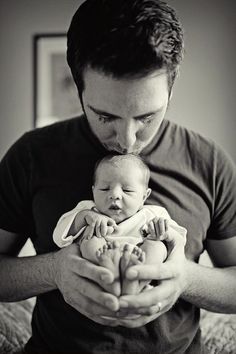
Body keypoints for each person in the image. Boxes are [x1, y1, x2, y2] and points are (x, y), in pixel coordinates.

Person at [0, 0, 235, 353]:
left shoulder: (209, 161)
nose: (127, 141)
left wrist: (185, 278)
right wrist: (54, 271)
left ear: (172, 86)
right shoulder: (31, 155)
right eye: (106, 116)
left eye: (146, 117)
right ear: (77, 86)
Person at [53, 154, 187, 297]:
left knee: (158, 246)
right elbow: (58, 236)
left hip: (140, 255)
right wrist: (84, 217)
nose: (115, 195)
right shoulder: (88, 209)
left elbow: (178, 241)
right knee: (90, 239)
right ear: (93, 191)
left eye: (127, 190)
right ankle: (109, 272)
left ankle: (136, 281)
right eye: (105, 189)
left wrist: (163, 230)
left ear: (144, 196)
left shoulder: (153, 213)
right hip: (102, 255)